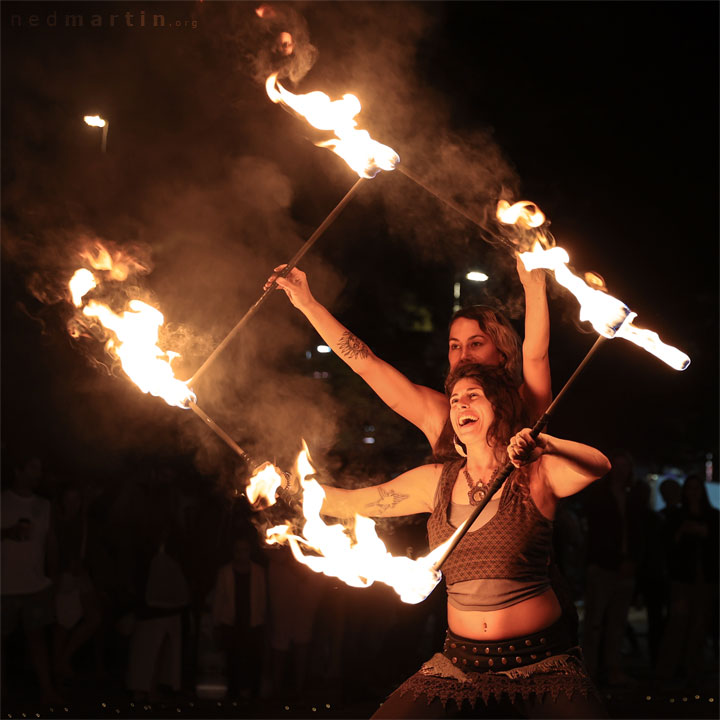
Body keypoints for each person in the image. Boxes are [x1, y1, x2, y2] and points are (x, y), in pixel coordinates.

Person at [277, 364, 609, 717]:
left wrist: (546, 444)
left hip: (541, 663)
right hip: (460, 665)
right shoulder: (436, 482)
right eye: (454, 400)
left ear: (499, 406)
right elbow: (351, 501)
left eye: (473, 396)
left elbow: (598, 465)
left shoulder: (536, 475)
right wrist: (280, 483)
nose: (461, 405)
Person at [264, 256, 551, 446]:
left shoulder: (526, 404)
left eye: (476, 343)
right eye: (454, 346)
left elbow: (535, 354)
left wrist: (533, 283)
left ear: (502, 352)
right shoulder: (440, 415)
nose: (463, 355)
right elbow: (366, 363)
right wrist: (308, 304)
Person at [1, 456, 63, 704]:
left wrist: (54, 578)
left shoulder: (44, 505)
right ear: (18, 470)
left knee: (37, 640)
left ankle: (47, 691)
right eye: (33, 468)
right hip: (3, 585)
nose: (38, 474)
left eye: (40, 469)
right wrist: (7, 532)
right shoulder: (2, 501)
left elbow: (51, 543)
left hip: (35, 584)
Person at [211, 535, 267, 700]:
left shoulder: (258, 572)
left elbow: (262, 597)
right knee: (232, 659)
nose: (241, 554)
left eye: (245, 550)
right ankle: (233, 693)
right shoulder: (225, 572)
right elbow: (219, 599)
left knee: (254, 660)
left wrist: (263, 620)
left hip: (254, 621)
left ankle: (254, 693)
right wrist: (216, 623)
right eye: (238, 550)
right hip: (231, 622)